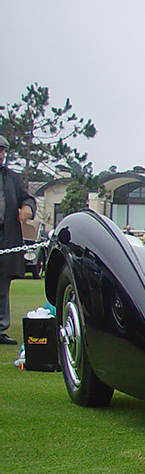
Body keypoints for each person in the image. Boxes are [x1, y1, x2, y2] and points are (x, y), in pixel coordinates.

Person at [0, 135, 37, 345]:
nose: (1, 154)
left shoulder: (12, 178)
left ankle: (0, 328)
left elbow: (26, 197)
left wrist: (27, 208)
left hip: (6, 237)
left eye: (3, 150)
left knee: (2, 283)